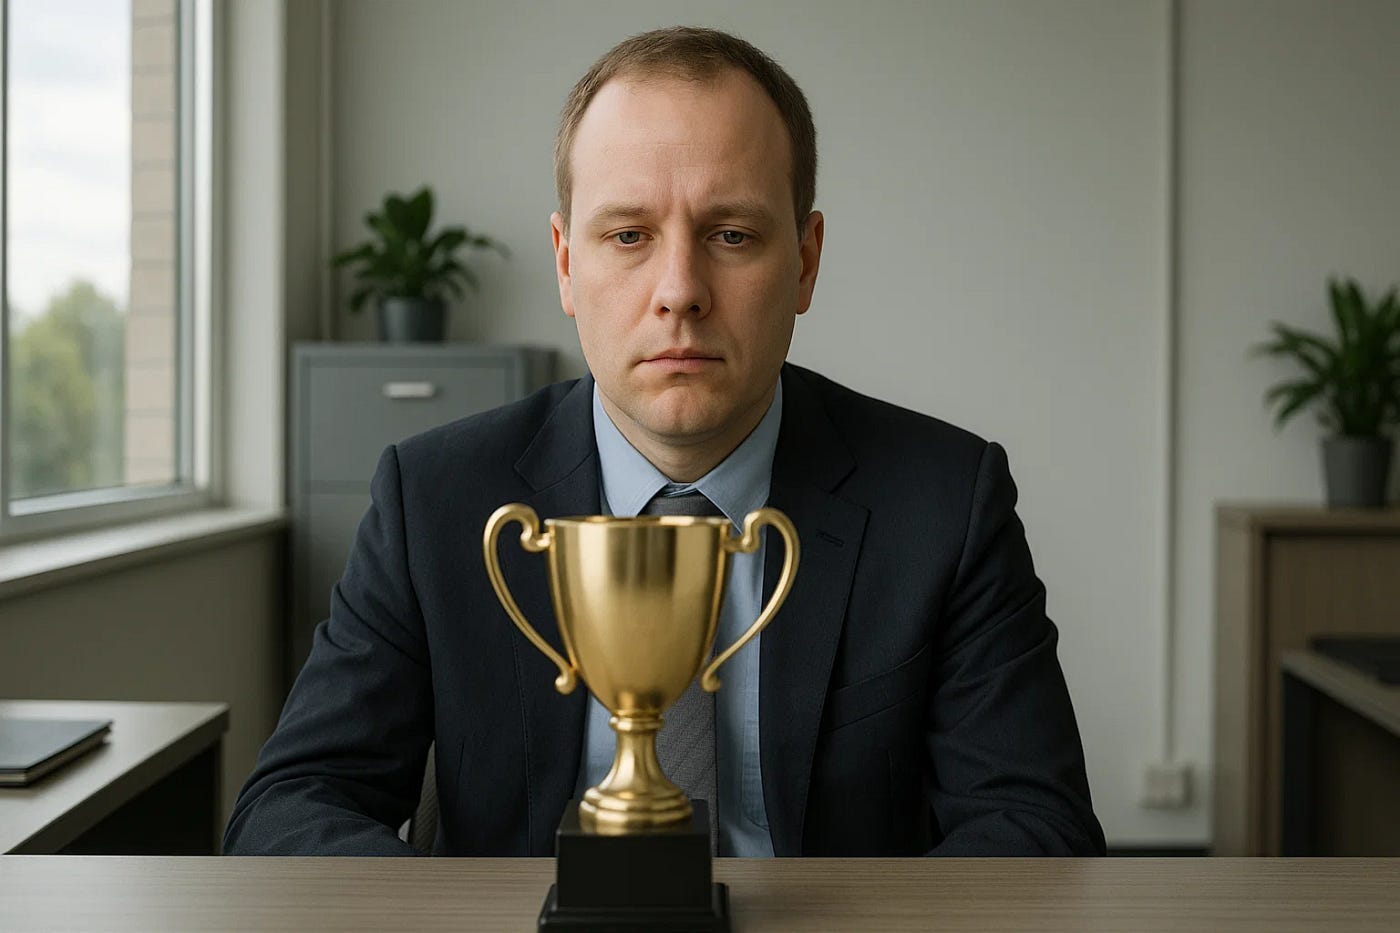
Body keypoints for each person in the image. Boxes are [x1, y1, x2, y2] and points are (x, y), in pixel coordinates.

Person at [224, 26, 1105, 858]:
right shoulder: (435, 498)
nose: (679, 289)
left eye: (731, 234)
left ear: (804, 261)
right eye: (629, 235)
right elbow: (290, 807)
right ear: (567, 264)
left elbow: (1036, 828)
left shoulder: (945, 501)